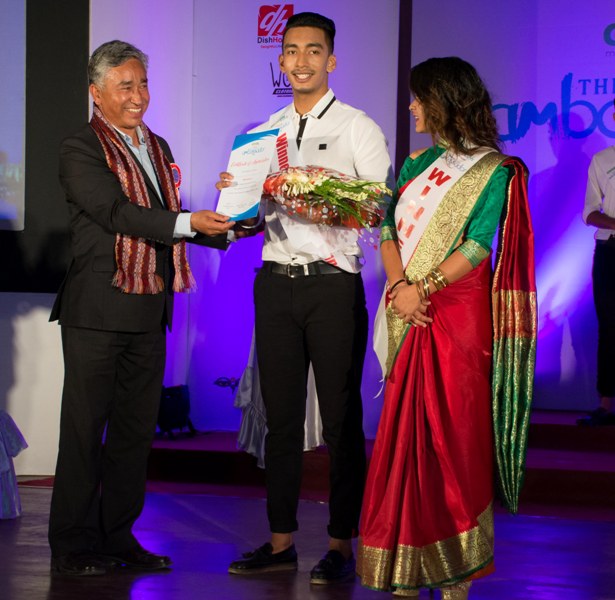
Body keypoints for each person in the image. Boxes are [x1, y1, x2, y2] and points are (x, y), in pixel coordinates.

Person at [219, 12, 393, 584]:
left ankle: (341, 543)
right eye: (291, 51)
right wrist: (236, 205)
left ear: (331, 60)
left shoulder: (357, 127)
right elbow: (251, 220)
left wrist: (312, 192)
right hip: (275, 282)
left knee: (341, 419)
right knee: (281, 419)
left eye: (313, 51)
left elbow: (378, 208)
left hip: (331, 282)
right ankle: (281, 542)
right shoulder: (262, 132)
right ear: (280, 60)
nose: (301, 61)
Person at [48, 40, 233, 576]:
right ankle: (73, 545)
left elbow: (165, 216)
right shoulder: (80, 147)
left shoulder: (157, 145)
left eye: (143, 84)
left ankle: (118, 538)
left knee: (133, 435)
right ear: (96, 92)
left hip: (149, 308)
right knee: (84, 433)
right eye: (125, 86)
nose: (138, 96)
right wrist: (189, 223)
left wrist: (229, 224)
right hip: (97, 311)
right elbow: (117, 212)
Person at [356, 57, 536, 598]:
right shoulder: (416, 164)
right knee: (405, 437)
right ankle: (406, 571)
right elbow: (388, 227)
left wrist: (424, 287)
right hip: (408, 305)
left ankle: (456, 577)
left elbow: (478, 245)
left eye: (419, 98)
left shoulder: (495, 170)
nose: (411, 107)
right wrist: (399, 287)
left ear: (443, 102)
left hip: (455, 315)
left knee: (454, 436)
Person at [577, 102, 615, 426]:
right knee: (610, 326)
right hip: (610, 251)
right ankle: (606, 404)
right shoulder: (602, 160)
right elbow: (589, 212)